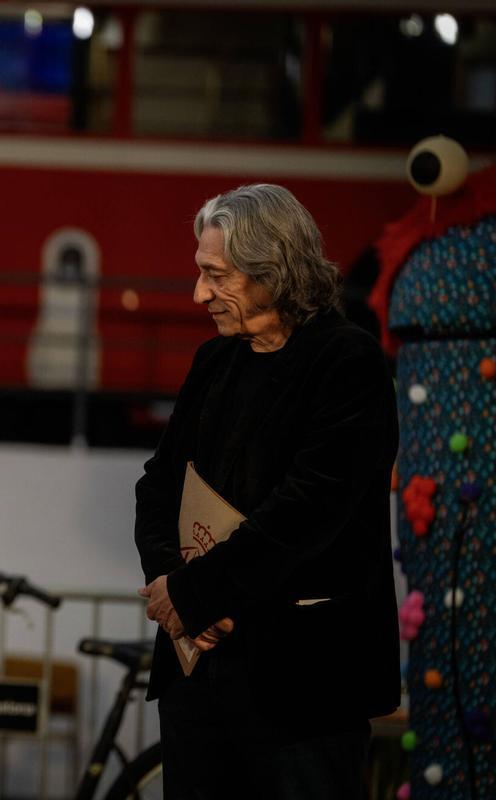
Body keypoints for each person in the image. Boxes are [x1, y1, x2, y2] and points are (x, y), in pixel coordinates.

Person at [134, 183, 400, 799]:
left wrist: (196, 594)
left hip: (304, 690)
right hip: (197, 679)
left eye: (216, 276)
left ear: (272, 271)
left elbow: (309, 511)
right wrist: (171, 587)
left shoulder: (347, 362)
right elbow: (158, 484)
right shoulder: (213, 361)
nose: (200, 293)